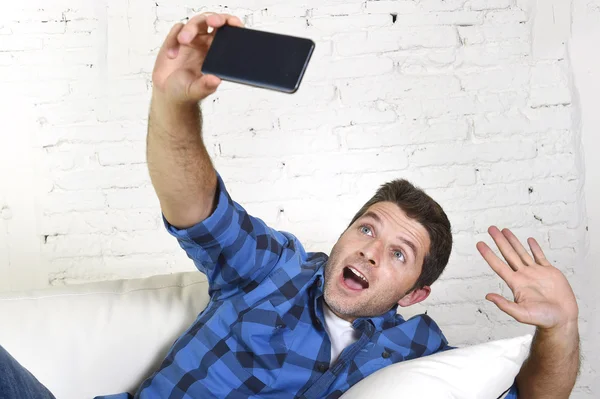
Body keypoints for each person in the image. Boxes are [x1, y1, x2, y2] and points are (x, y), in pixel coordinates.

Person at [0, 12, 580, 399]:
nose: (371, 252)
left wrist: (561, 327)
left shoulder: (416, 352)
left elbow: (531, 397)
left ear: (416, 293)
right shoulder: (274, 269)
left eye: (399, 254)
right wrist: (173, 101)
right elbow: (197, 208)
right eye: (368, 229)